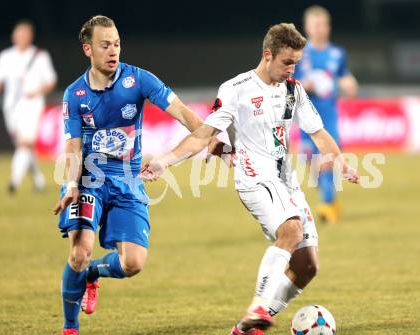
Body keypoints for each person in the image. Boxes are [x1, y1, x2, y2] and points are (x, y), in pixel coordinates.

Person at [143, 23, 359, 335]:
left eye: (296, 62)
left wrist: (340, 162)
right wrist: (164, 161)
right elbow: (204, 135)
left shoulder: (293, 90)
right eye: (287, 62)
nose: (292, 69)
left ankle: (249, 326)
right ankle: (258, 306)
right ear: (267, 55)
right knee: (292, 230)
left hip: (286, 182)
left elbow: (318, 132)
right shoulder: (236, 90)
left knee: (307, 266)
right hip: (254, 178)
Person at [53, 15, 215, 335]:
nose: (113, 51)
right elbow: (72, 146)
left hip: (128, 177)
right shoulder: (75, 94)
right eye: (104, 45)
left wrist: (217, 143)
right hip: (89, 178)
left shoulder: (138, 80)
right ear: (88, 49)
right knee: (80, 251)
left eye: (116, 44)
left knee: (133, 264)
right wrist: (72, 183)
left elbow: (182, 112)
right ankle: (70, 327)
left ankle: (93, 274)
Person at [294, 5, 358, 224]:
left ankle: (327, 205)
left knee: (328, 159)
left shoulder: (337, 53)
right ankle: (331, 201)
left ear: (328, 27)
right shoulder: (300, 54)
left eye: (323, 25)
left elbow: (343, 75)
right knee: (312, 164)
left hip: (328, 115)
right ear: (307, 28)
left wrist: (350, 83)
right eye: (316, 25)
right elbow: (287, 83)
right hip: (305, 115)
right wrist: (305, 84)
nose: (320, 29)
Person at [0, 19, 57, 193]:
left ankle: (14, 182)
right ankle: (39, 181)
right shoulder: (6, 56)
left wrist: (36, 90)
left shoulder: (39, 56)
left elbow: (51, 81)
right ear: (13, 36)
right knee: (23, 146)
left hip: (32, 104)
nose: (21, 37)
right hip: (11, 106)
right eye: (19, 34)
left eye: (25, 34)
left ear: (30, 37)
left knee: (25, 143)